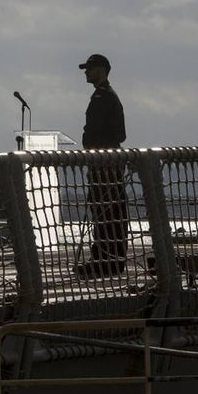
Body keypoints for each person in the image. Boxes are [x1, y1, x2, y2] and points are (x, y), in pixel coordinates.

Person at [78, 53, 127, 272]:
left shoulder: (103, 97)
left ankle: (105, 261)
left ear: (102, 70)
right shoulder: (107, 96)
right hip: (107, 163)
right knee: (108, 214)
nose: (86, 72)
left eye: (90, 68)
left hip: (104, 165)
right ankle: (109, 260)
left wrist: (95, 150)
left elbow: (108, 133)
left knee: (105, 214)